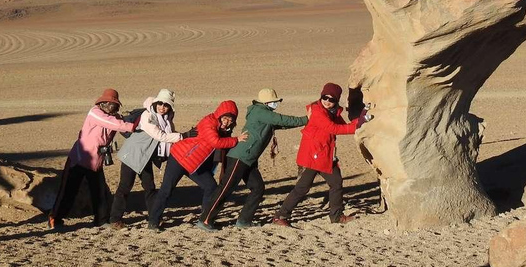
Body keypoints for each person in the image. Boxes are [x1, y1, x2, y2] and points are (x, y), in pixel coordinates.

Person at [198, 88, 308, 231]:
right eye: (274, 102)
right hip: (240, 157)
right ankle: (205, 220)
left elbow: (281, 124)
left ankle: (244, 220)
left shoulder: (266, 114)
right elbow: (282, 119)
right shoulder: (260, 112)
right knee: (225, 188)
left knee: (258, 188)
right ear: (267, 102)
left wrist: (303, 122)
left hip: (249, 159)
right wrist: (306, 119)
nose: (276, 104)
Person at [273, 83, 371, 227]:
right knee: (302, 188)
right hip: (312, 156)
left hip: (325, 155)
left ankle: (336, 216)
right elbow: (334, 129)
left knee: (336, 182)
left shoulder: (333, 112)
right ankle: (280, 216)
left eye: (331, 99)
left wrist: (361, 118)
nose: (327, 101)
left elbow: (344, 125)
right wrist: (358, 125)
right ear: (321, 96)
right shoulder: (317, 111)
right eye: (325, 97)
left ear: (336, 101)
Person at [147, 100, 247, 230]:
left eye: (230, 120)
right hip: (179, 158)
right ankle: (153, 222)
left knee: (211, 187)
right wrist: (236, 140)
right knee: (166, 190)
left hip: (194, 164)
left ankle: (204, 218)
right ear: (219, 115)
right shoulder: (209, 122)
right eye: (225, 118)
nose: (227, 122)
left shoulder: (222, 129)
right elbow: (215, 142)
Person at [49, 88, 137, 229]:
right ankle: (55, 219)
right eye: (112, 105)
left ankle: (100, 221)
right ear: (104, 103)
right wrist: (133, 126)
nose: (113, 108)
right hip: (78, 159)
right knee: (68, 191)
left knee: (99, 192)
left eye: (115, 106)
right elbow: (113, 124)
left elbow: (117, 124)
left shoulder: (113, 117)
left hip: (96, 162)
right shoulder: (95, 113)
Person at [109, 89, 197, 229]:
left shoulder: (167, 119)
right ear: (155, 103)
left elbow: (169, 135)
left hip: (145, 157)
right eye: (160, 103)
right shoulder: (148, 115)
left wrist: (186, 137)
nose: (162, 107)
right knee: (125, 187)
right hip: (132, 155)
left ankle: (154, 217)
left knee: (149, 187)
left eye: (166, 105)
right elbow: (160, 135)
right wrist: (183, 135)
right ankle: (115, 219)